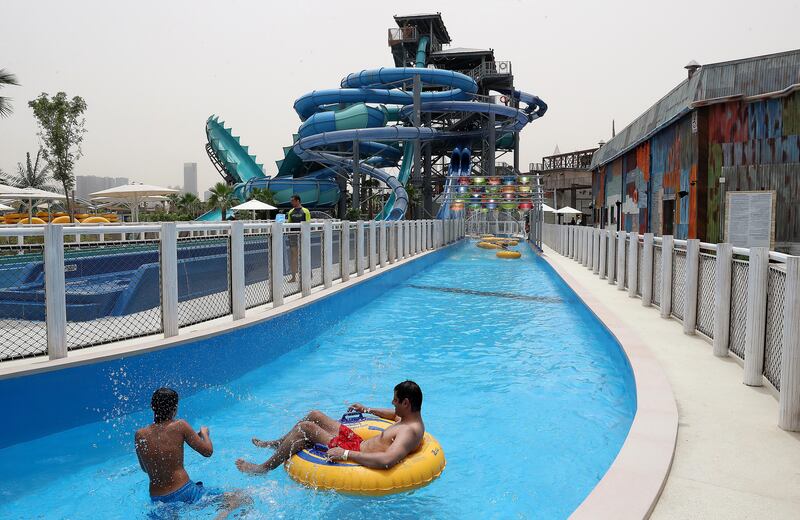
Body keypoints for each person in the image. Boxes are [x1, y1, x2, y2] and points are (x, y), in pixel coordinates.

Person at [235, 381, 425, 474]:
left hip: (353, 451)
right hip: (359, 443)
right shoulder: (407, 417)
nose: (392, 402)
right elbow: (394, 415)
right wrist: (366, 409)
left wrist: (345, 454)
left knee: (306, 428)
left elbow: (387, 460)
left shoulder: (409, 431)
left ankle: (263, 468)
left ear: (406, 402)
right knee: (315, 415)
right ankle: (278, 443)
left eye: (395, 400)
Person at [135, 388, 246, 517]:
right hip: (185, 492)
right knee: (240, 497)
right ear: (175, 408)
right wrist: (204, 434)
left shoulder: (140, 434)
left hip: (158, 499)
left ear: (152, 407)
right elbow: (207, 451)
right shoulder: (180, 425)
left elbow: (145, 468)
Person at [285, 194, 310, 283]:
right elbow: (289, 223)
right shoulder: (291, 211)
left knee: (304, 255)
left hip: (303, 237)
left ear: (297, 201)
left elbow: (308, 224)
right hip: (293, 236)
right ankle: (293, 277)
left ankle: (307, 273)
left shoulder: (305, 211)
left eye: (292, 201)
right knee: (294, 256)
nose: (291, 202)